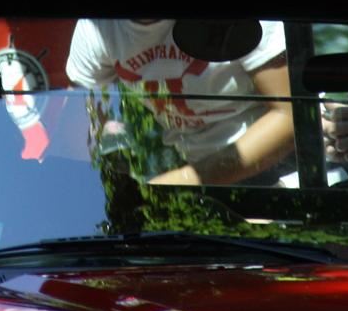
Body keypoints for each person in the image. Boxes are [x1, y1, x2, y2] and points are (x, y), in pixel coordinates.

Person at [67, 17, 293, 186]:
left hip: (280, 171)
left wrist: (178, 183)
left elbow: (289, 119)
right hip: (191, 176)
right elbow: (81, 125)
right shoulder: (97, 26)